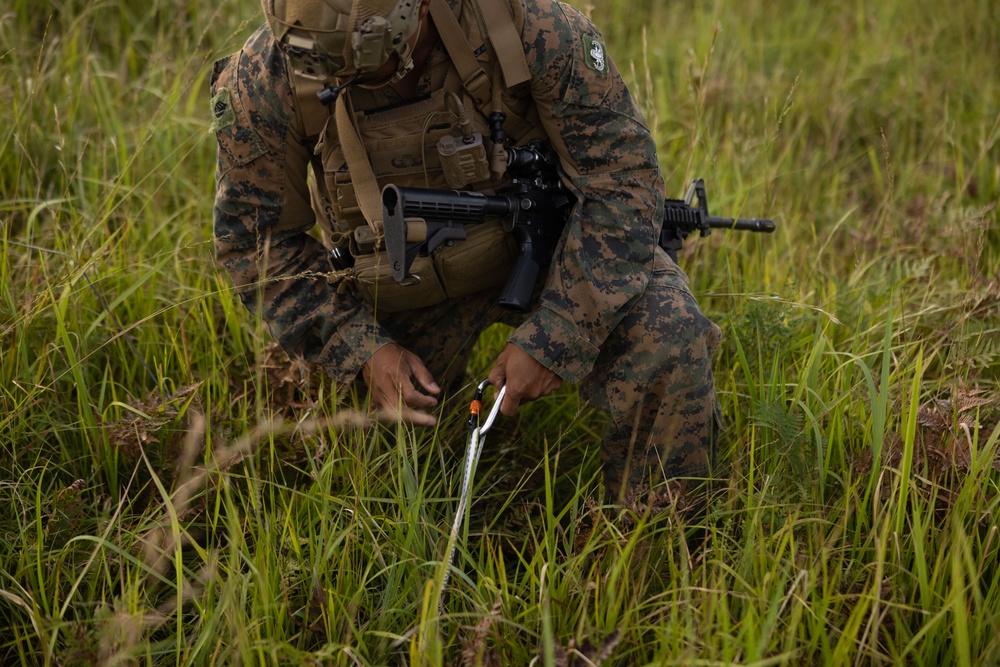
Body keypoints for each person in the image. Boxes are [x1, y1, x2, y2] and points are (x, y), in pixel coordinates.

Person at [210, 0, 721, 501]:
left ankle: (661, 542)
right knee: (363, 479)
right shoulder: (269, 75)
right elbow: (254, 245)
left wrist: (557, 335)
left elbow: (622, 182)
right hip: (397, 287)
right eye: (327, 71)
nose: (343, 83)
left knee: (669, 334)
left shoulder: (530, 25)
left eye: (366, 62)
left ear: (420, 10)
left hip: (551, 255)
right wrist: (363, 349)